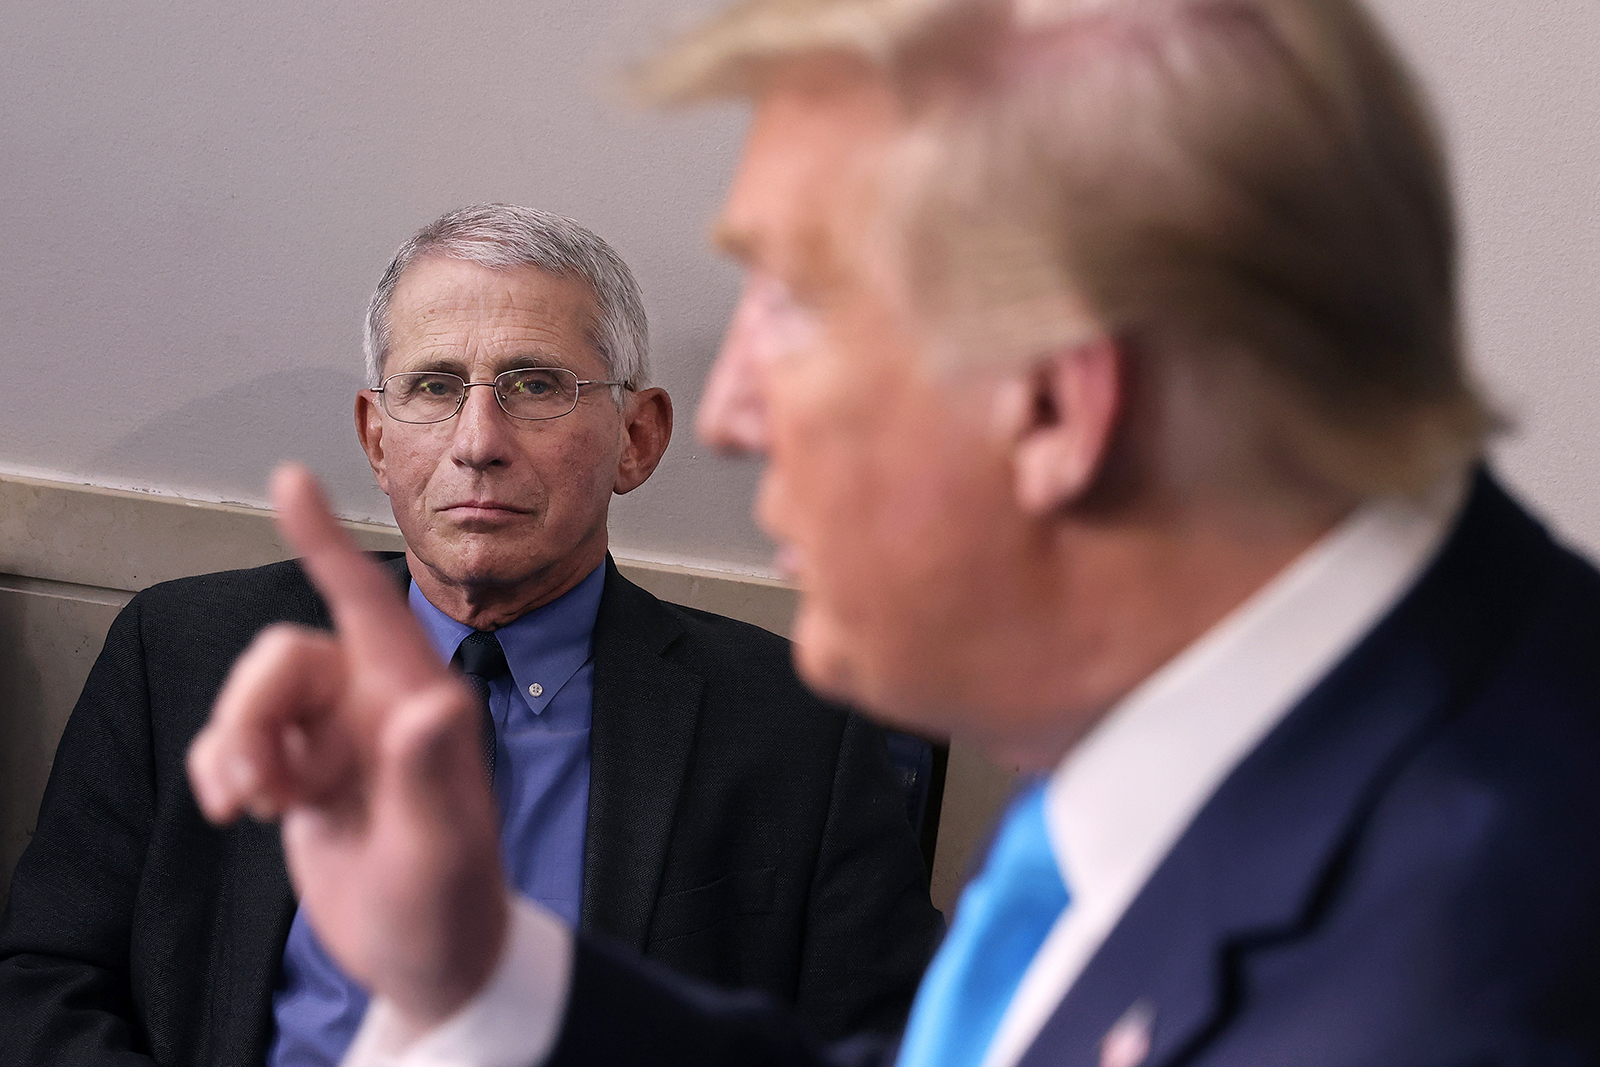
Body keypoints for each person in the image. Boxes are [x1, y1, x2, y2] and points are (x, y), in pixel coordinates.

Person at [187, 0, 1600, 1065]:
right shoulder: (1221, 708)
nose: (728, 410)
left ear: (1054, 401)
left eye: (793, 304)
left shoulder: (1465, 972)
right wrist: (483, 974)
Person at [0, 205, 941, 1065]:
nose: (477, 439)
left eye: (536, 385)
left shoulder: (796, 724)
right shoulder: (186, 655)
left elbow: (893, 1041)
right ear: (377, 439)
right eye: (435, 385)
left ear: (638, 439)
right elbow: (42, 980)